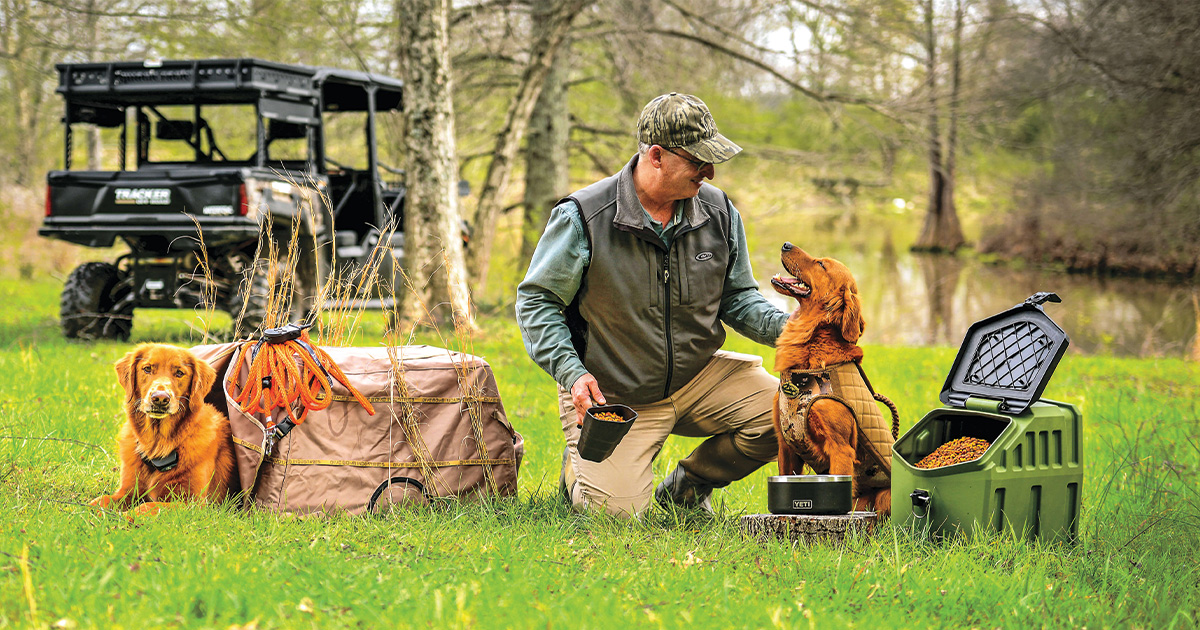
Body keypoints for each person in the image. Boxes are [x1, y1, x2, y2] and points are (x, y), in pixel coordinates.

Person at [516, 92, 789, 518]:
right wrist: (573, 373)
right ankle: (579, 472)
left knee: (795, 417)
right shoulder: (584, 216)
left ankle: (687, 487)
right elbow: (538, 302)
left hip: (697, 377)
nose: (710, 172)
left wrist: (795, 332)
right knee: (617, 517)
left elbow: (737, 298)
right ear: (657, 156)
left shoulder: (718, 212)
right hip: (614, 396)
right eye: (698, 161)